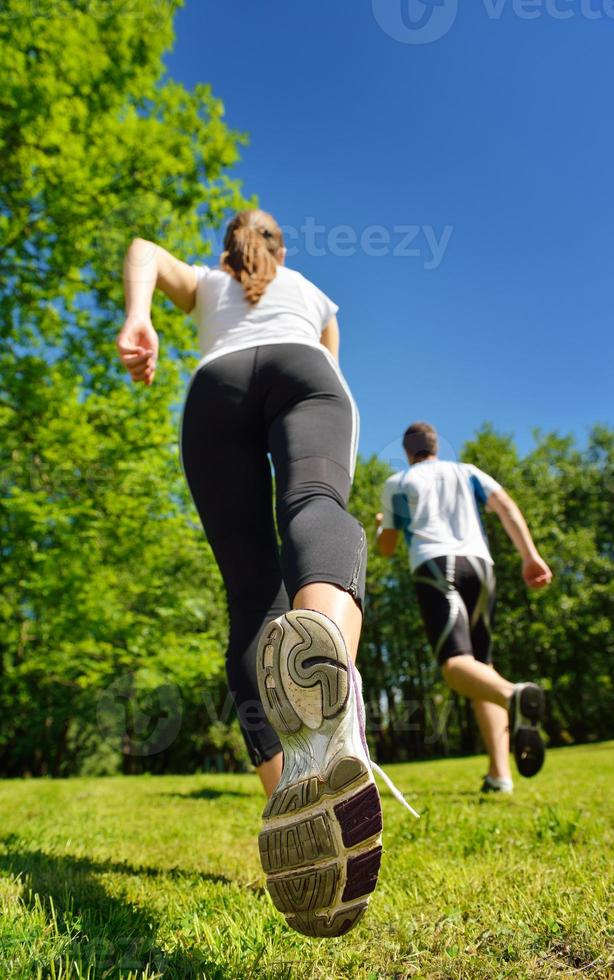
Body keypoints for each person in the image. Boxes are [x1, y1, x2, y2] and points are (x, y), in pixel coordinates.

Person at [116, 210, 384, 938]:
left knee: (249, 595)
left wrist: (141, 317)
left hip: (215, 389)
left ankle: (297, 806)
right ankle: (323, 646)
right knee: (314, 503)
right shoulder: (310, 291)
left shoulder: (206, 283)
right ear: (280, 247)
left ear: (229, 245)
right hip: (305, 371)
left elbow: (142, 247)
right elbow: (333, 354)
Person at [376, 421, 553, 793]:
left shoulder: (398, 483)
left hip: (436, 566)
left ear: (408, 452)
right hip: (481, 566)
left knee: (456, 667)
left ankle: (514, 696)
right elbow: (505, 506)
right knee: (480, 670)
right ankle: (499, 776)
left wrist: (381, 527)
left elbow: (387, 546)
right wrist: (529, 556)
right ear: (436, 446)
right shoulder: (467, 472)